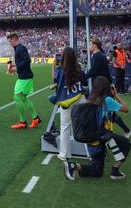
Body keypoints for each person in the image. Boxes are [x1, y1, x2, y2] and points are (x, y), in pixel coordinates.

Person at [66, 77, 131, 181]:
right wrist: (116, 95)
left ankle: (74, 166)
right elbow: (126, 109)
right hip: (103, 137)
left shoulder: (90, 98)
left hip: (92, 138)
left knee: (98, 171)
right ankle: (115, 169)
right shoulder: (107, 100)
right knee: (126, 144)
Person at [51, 47, 86, 176]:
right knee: (84, 125)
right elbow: (83, 82)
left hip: (67, 101)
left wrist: (53, 67)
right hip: (80, 100)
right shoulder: (79, 68)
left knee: (65, 127)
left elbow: (56, 83)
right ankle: (91, 150)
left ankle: (64, 154)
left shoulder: (60, 70)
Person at [7, 32, 41, 129]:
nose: (10, 43)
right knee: (23, 98)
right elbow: (23, 61)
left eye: (10, 41)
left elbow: (27, 60)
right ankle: (35, 118)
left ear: (14, 39)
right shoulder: (18, 48)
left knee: (17, 97)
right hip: (25, 76)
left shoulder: (20, 48)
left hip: (24, 78)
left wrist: (16, 68)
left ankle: (22, 122)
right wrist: (14, 67)